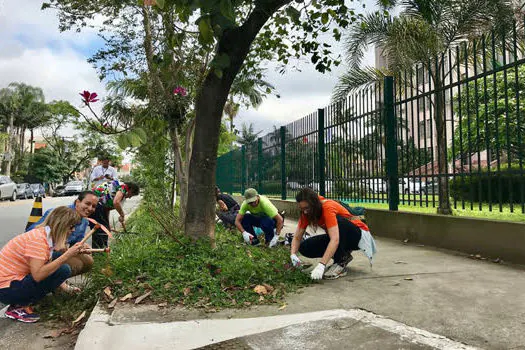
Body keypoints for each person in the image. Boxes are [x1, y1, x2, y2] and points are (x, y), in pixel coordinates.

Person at [0, 206, 85, 323]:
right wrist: (67, 255)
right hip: (6, 288)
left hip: (10, 283)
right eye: (71, 226)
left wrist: (67, 288)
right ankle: (18, 306)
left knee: (58, 261)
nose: (73, 230)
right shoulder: (38, 240)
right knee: (63, 269)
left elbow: (48, 262)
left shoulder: (45, 236)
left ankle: (23, 300)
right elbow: (38, 275)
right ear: (61, 226)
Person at [290, 188, 377, 280]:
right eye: (302, 209)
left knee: (339, 222)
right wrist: (293, 255)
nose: (305, 212)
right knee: (305, 247)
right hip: (340, 237)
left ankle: (340, 261)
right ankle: (344, 255)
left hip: (357, 236)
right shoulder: (306, 213)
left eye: (307, 208)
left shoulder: (327, 207)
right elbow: (297, 237)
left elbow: (335, 239)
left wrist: (321, 265)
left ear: (314, 204)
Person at [27, 191, 98, 276]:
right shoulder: (59, 213)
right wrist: (57, 242)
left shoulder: (84, 221)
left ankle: (57, 280)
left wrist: (82, 246)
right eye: (87, 204)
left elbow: (75, 244)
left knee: (88, 261)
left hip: (60, 251)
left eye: (93, 206)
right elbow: (31, 233)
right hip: (45, 252)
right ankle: (51, 282)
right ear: (77, 202)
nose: (90, 208)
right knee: (74, 264)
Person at [90, 181, 140, 248]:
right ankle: (100, 252)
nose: (130, 197)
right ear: (131, 190)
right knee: (100, 232)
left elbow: (106, 209)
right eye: (132, 194)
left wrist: (107, 224)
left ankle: (101, 252)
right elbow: (116, 202)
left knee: (104, 230)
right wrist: (122, 215)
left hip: (99, 207)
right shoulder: (123, 187)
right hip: (96, 206)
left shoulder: (120, 190)